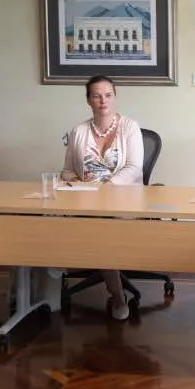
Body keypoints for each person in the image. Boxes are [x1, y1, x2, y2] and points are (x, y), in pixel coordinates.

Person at [60, 74, 144, 320]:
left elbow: (134, 168)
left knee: (103, 229)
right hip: (87, 203)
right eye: (96, 96)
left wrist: (107, 188)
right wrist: (78, 186)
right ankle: (41, 289)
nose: (103, 100)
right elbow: (67, 171)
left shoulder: (130, 127)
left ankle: (117, 295)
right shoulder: (78, 132)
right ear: (89, 101)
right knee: (46, 221)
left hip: (123, 202)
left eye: (108, 95)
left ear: (115, 97)